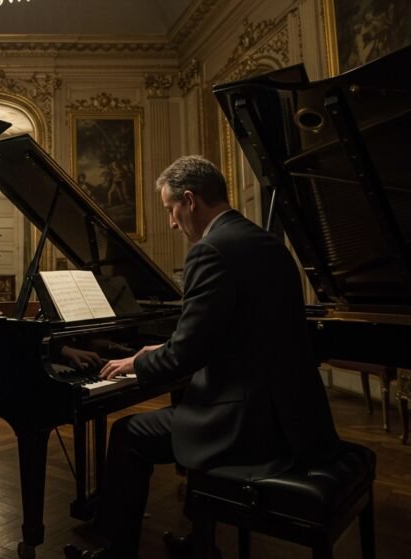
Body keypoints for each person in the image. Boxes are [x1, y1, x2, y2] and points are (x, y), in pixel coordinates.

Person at [64, 155, 341, 559]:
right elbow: (239, 330)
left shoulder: (210, 250)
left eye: (170, 210)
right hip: (292, 413)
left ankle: (113, 546)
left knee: (128, 434)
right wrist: (167, 346)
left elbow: (186, 356)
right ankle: (199, 537)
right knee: (189, 401)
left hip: (247, 422)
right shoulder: (264, 242)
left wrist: (137, 364)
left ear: (189, 200)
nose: (172, 223)